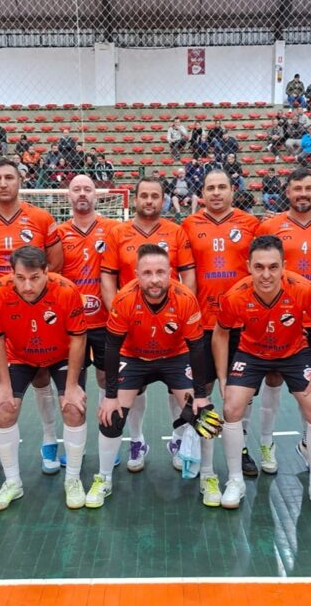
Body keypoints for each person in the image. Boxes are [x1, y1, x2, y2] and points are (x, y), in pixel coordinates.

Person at [86, 243, 219, 508]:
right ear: (136, 274)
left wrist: (201, 397)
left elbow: (197, 348)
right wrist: (110, 396)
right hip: (134, 358)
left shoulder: (185, 298)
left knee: (206, 418)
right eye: (147, 273)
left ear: (171, 272)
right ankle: (103, 478)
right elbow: (112, 347)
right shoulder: (124, 299)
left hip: (175, 356)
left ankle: (209, 475)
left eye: (161, 272)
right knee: (111, 418)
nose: (155, 279)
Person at [213, 235, 311, 513]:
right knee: (231, 407)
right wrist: (222, 377)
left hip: (294, 352)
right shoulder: (235, 295)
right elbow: (220, 333)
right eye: (259, 267)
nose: (266, 274)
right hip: (251, 353)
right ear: (249, 266)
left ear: (284, 266)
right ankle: (235, 481)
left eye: (273, 267)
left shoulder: (303, 289)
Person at [0, 158, 64, 477]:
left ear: (20, 181)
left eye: (9, 177)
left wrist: (33, 294)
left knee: (41, 376)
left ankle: (49, 442)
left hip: (36, 314)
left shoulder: (40, 217)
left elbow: (56, 263)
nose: (4, 183)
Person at [101, 178, 197, 471]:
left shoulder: (176, 232)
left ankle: (178, 438)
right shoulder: (118, 232)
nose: (149, 200)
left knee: (179, 392)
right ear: (136, 198)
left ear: (163, 199)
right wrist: (121, 314)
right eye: (144, 195)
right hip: (132, 330)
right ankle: (137, 439)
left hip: (171, 330)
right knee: (135, 391)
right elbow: (107, 278)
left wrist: (181, 313)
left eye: (155, 196)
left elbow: (188, 277)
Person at [0, 246, 88, 511]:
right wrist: (4, 385)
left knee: (74, 409)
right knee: (3, 411)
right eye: (20, 278)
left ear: (47, 272)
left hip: (61, 354)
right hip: (20, 356)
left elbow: (78, 338)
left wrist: (73, 385)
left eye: (34, 277)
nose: (27, 285)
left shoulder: (66, 291)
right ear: (12, 274)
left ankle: (73, 480)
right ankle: (13, 483)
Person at [257, 168, 311, 471]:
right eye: (297, 189)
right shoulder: (270, 226)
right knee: (274, 377)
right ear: (287, 192)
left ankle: (310, 442)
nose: (303, 194)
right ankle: (267, 442)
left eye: (308, 188)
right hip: (279, 318)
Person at [182, 170, 259, 474]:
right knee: (202, 388)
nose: (216, 193)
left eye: (222, 187)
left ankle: (239, 447)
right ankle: (200, 449)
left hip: (241, 323)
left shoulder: (251, 224)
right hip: (202, 322)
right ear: (202, 192)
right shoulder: (188, 225)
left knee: (241, 390)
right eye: (210, 188)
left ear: (232, 190)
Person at [56, 175, 121, 464]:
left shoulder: (114, 230)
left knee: (109, 380)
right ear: (67, 195)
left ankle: (111, 443)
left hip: (107, 322)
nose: (82, 194)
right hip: (71, 325)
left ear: (97, 195)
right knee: (72, 385)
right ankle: (75, 450)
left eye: (88, 189)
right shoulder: (56, 233)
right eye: (76, 189)